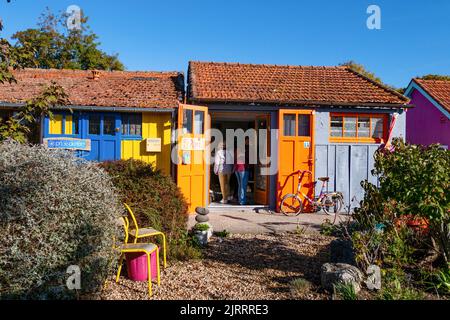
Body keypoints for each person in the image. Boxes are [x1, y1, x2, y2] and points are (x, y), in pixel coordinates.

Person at [234, 137, 251, 205]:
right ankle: (242, 201)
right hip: (243, 168)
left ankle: (240, 200)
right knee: (243, 185)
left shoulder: (238, 148)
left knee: (240, 185)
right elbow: (248, 158)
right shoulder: (246, 149)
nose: (248, 142)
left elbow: (235, 158)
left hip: (237, 168)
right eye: (247, 140)